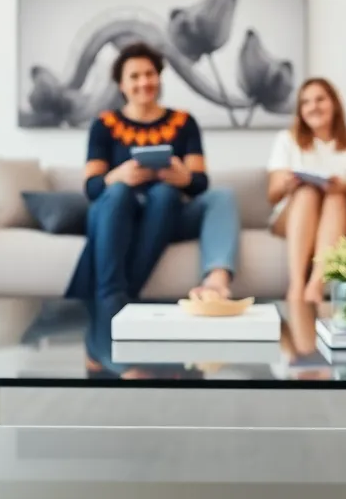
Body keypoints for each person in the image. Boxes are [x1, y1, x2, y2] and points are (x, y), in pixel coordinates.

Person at [64, 42, 239, 321]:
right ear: (121, 85)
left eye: (150, 74)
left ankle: (216, 282)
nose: (144, 82)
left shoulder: (183, 122)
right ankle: (112, 294)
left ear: (158, 77)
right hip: (119, 214)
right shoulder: (104, 124)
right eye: (134, 76)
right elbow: (92, 187)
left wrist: (184, 178)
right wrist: (117, 176)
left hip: (168, 213)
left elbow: (200, 183)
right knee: (120, 192)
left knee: (199, 196)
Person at [266, 78, 346, 304]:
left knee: (336, 196)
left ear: (334, 103)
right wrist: (287, 184)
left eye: (320, 99)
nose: (313, 107)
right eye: (306, 102)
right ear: (300, 111)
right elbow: (273, 194)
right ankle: (296, 285)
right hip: (295, 211)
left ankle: (315, 285)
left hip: (337, 213)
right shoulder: (287, 140)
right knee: (307, 193)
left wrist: (343, 187)